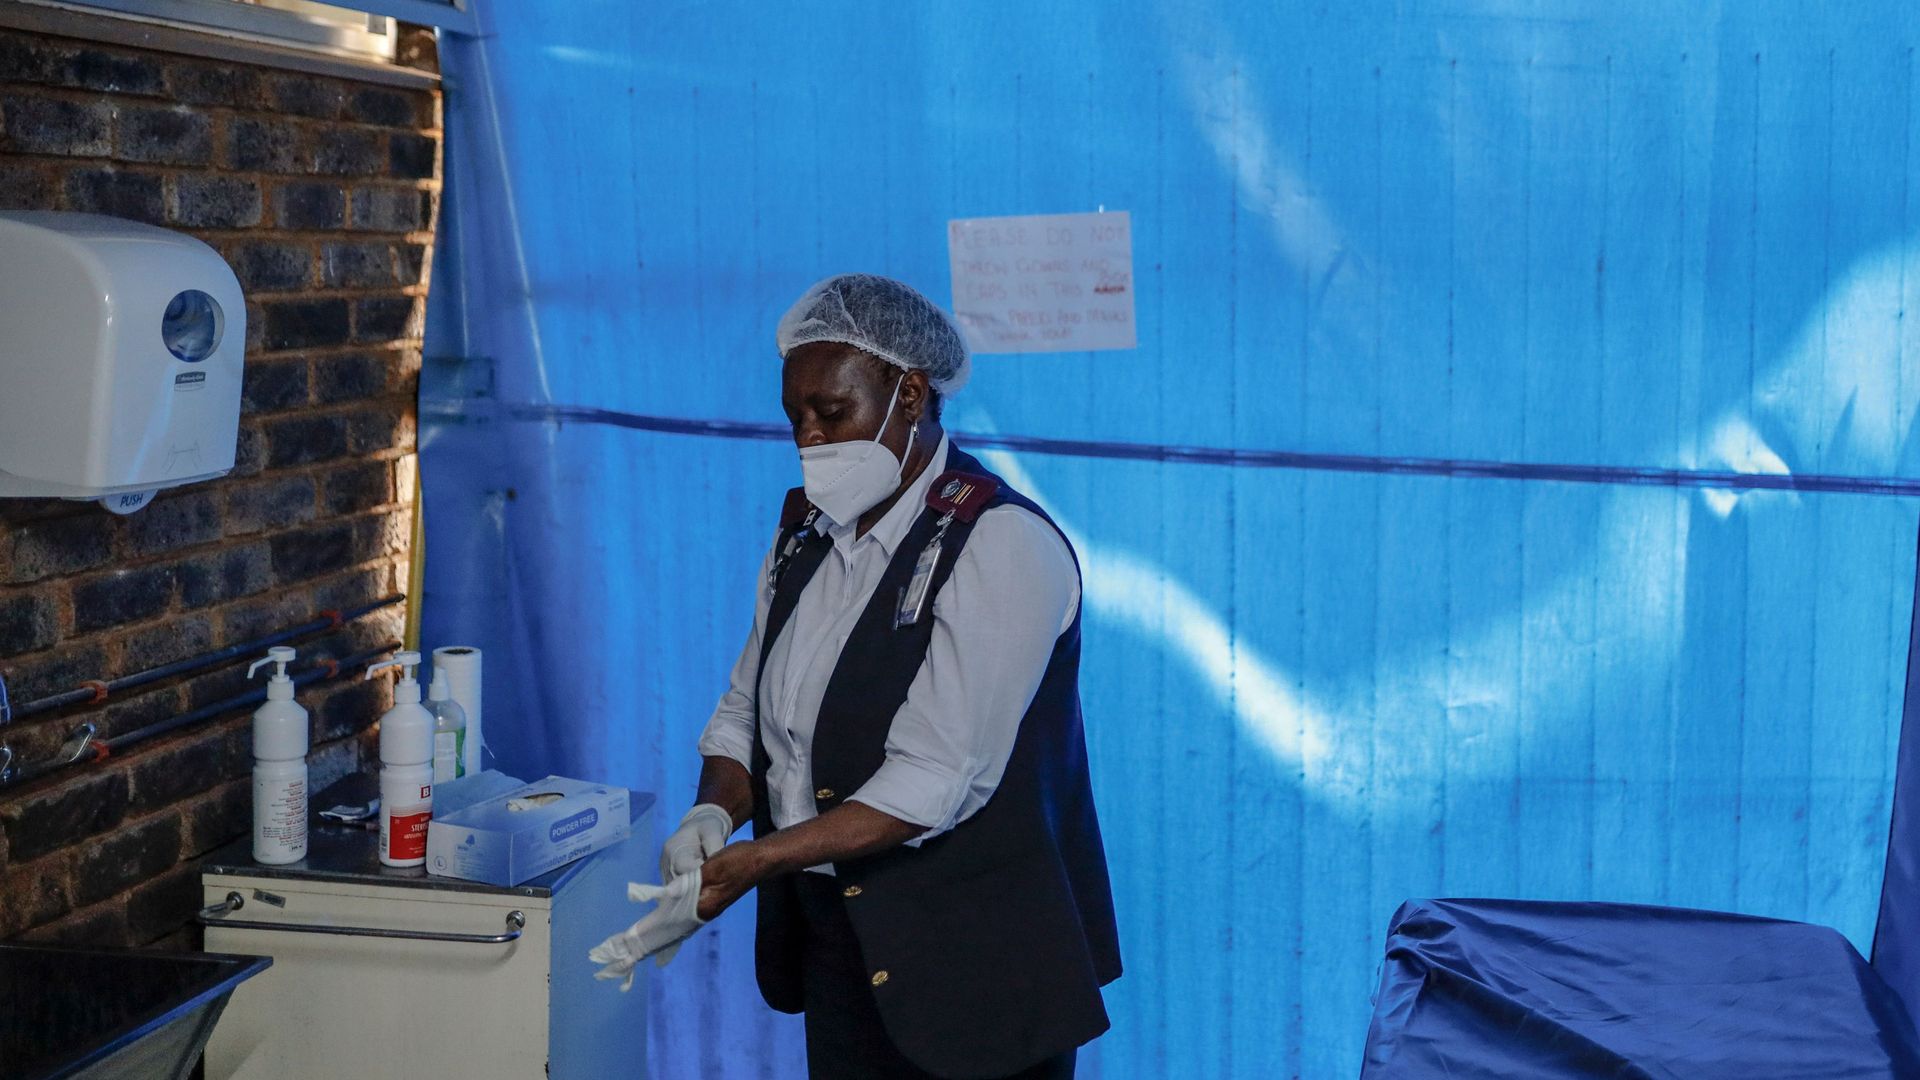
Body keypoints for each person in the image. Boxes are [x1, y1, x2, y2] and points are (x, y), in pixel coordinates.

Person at [590, 273, 1121, 1079]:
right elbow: (746, 708)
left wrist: (756, 862)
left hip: (978, 962)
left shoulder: (1000, 545)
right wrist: (713, 812)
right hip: (841, 939)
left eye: (833, 415)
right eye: (796, 419)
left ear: (911, 395)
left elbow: (934, 781)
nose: (810, 440)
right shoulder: (804, 537)